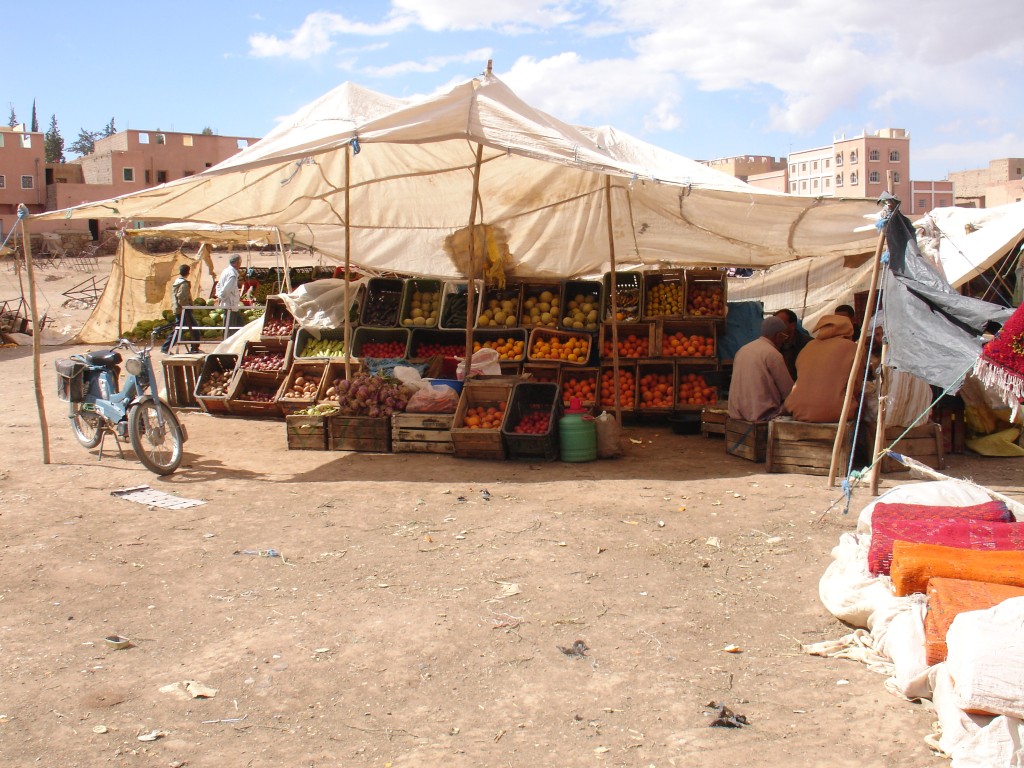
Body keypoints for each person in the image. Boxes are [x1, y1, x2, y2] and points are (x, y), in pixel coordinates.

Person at [783, 314, 859, 422]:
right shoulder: (853, 348)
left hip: (798, 410)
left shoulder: (808, 346)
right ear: (848, 331)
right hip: (837, 412)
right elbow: (856, 386)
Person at [727, 316, 794, 422]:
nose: (783, 341)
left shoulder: (742, 350)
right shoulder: (772, 354)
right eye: (784, 337)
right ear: (778, 336)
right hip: (762, 416)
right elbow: (788, 391)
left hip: (737, 415)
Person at [162, 264, 200, 354]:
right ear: (188, 272)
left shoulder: (177, 282)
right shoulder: (183, 284)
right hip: (183, 310)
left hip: (179, 309)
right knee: (192, 329)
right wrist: (186, 307)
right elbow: (181, 297)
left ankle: (193, 347)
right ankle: (194, 347)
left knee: (180, 329)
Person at [774, 308, 811, 380]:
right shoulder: (773, 343)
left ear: (793, 325)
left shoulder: (808, 344)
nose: (777, 328)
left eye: (781, 324)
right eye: (775, 324)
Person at [216, 254, 245, 332]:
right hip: (230, 304)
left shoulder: (226, 271)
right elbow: (226, 290)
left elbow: (218, 285)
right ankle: (227, 342)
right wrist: (221, 297)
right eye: (240, 262)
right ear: (236, 263)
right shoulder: (232, 275)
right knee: (229, 328)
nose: (240, 264)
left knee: (239, 326)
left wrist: (219, 295)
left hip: (231, 305)